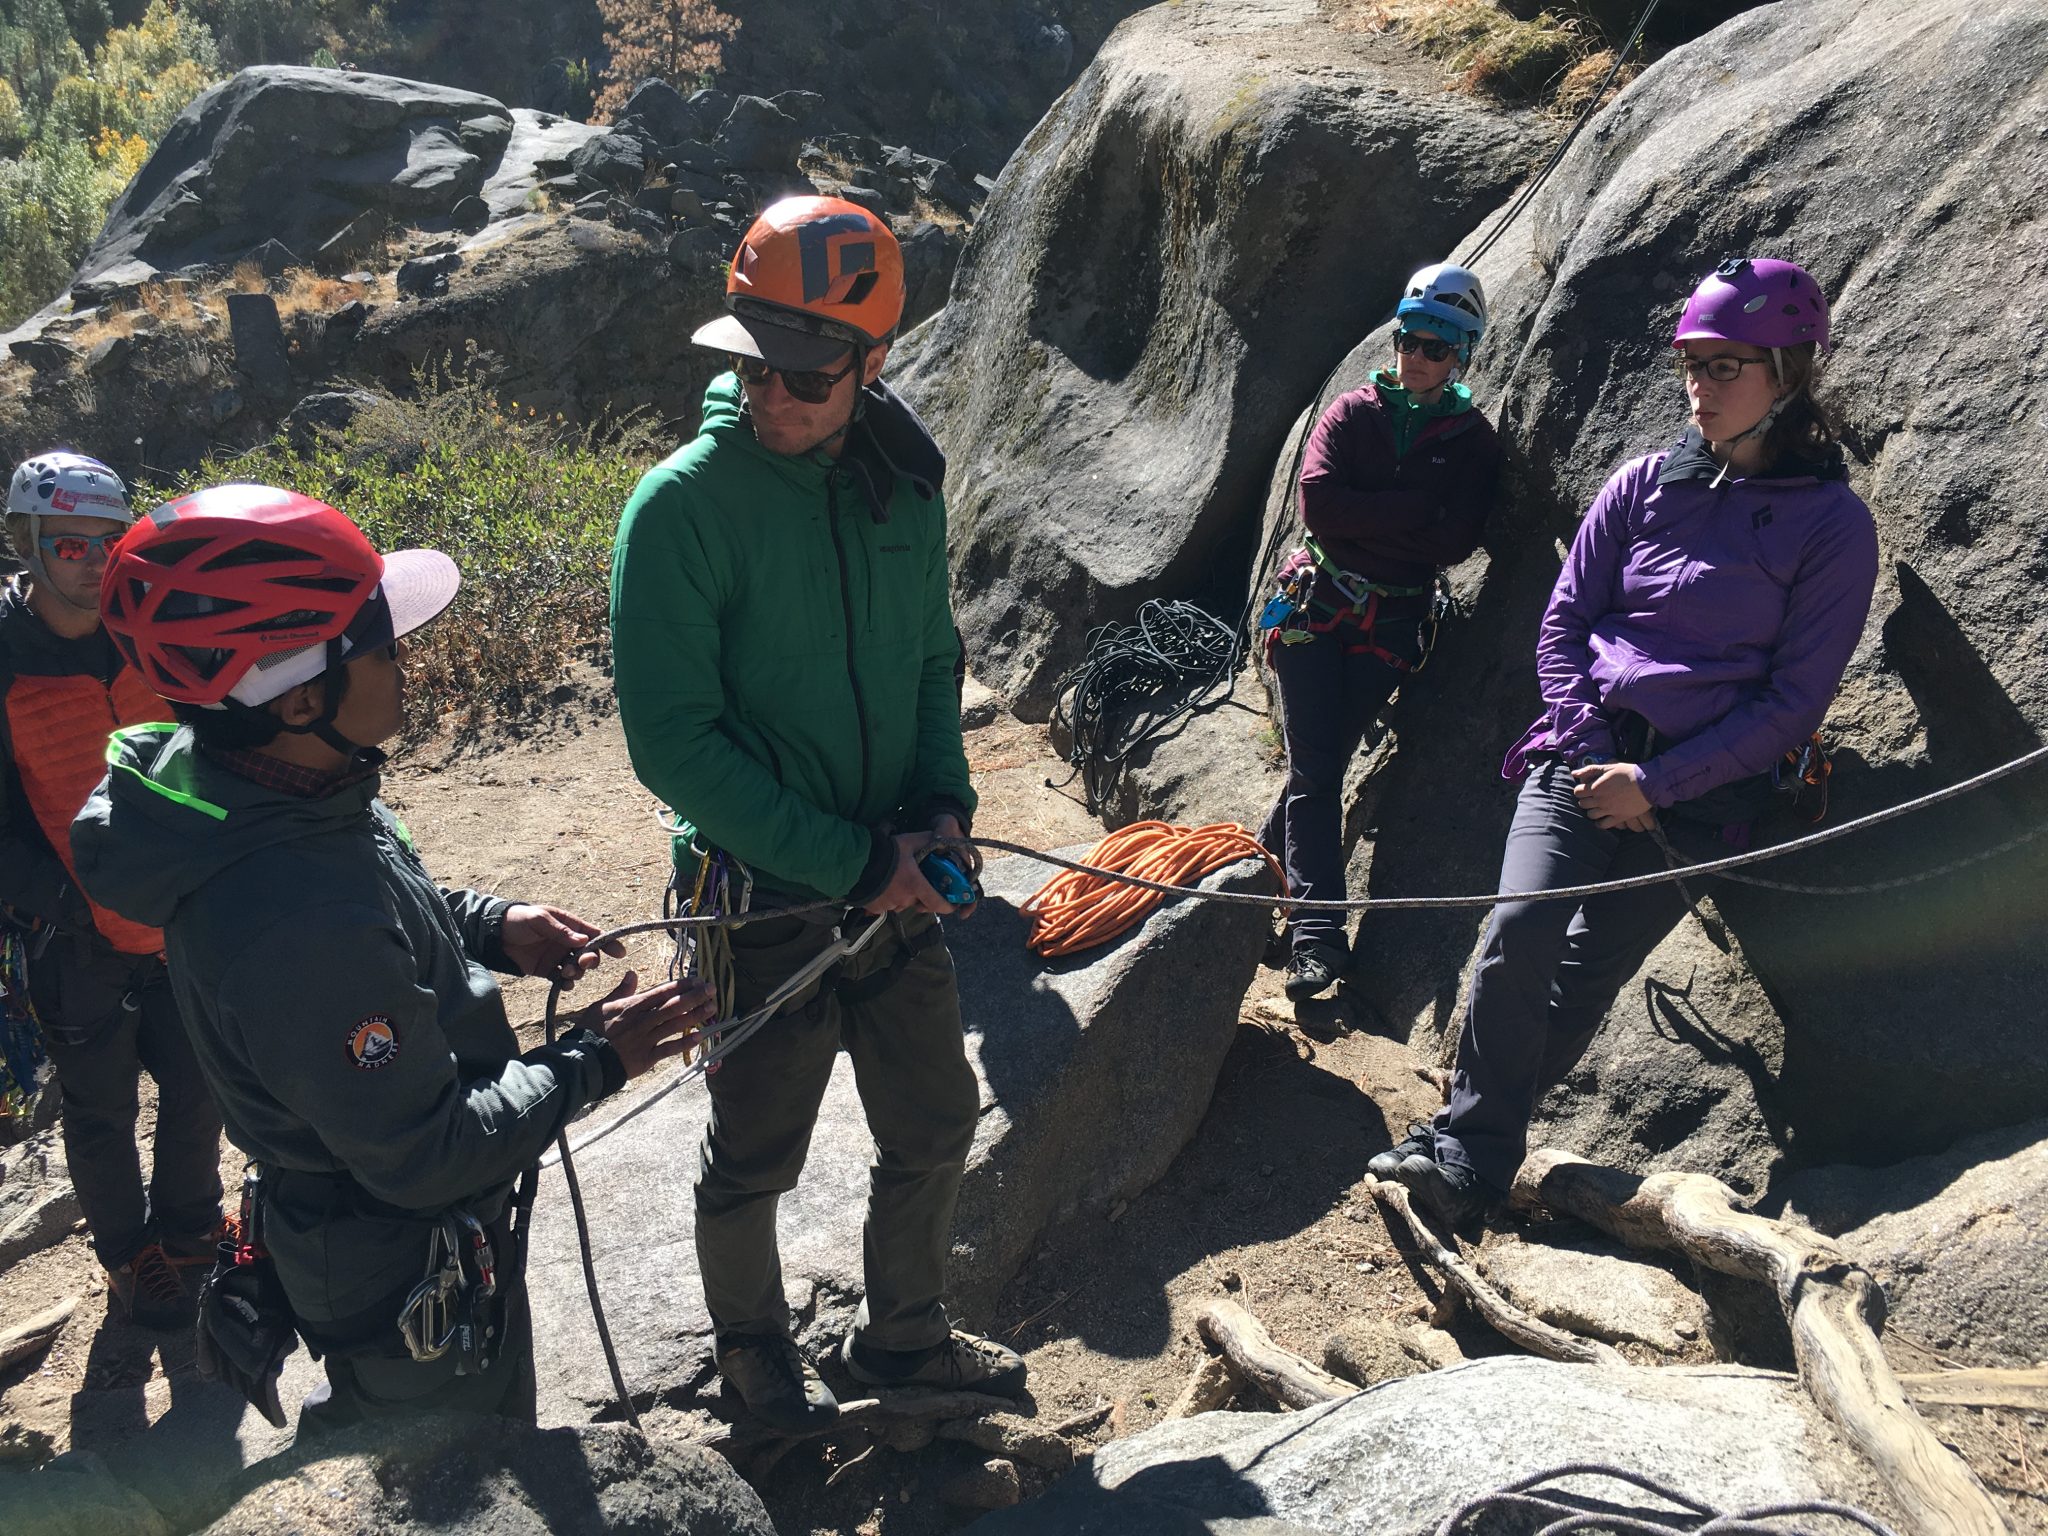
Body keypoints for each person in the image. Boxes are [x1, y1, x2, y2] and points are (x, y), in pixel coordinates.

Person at [73, 483, 716, 1431]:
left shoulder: (271, 789)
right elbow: (431, 1157)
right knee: (449, 1461)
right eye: (383, 647)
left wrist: (492, 925)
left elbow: (378, 893)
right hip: (396, 1254)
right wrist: (599, 1060)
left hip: (381, 1231)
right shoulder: (292, 920)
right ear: (300, 697)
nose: (406, 663)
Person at [610, 195, 1023, 1433]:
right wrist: (853, 861)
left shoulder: (900, 488)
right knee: (755, 1157)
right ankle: (755, 1368)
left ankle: (901, 1339)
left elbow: (926, 661)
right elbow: (673, 746)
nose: (769, 395)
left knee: (938, 1117)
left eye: (803, 374)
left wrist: (942, 804)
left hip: (896, 865)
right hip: (772, 895)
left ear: (871, 363)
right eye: (750, 362)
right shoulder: (680, 509)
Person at [1384, 258, 1879, 1226]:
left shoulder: (1831, 528)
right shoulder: (1642, 484)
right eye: (1687, 365)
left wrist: (1653, 782)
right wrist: (1588, 744)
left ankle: (1464, 1149)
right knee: (1515, 932)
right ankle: (1469, 1157)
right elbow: (1561, 626)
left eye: (1721, 367)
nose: (1697, 388)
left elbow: (1790, 703)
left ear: (1784, 373)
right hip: (1582, 756)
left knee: (1576, 981)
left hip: (1696, 797)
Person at [0, 450, 225, 1331]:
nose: (95, 563)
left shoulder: (150, 631)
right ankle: (130, 1255)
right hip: (68, 931)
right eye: (70, 547)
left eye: (112, 542)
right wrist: (60, 902)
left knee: (199, 1077)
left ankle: (191, 1230)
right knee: (100, 1107)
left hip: (172, 906)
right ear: (27, 543)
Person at [1259, 264, 1504, 1001]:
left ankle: (1246, 874)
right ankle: (1319, 938)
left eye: (1435, 346)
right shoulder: (1352, 412)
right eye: (1409, 339)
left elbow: (1456, 540)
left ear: (1460, 354)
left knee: (1317, 766)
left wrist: (1379, 514)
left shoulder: (1471, 442)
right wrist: (1413, 511)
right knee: (1316, 771)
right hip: (1316, 610)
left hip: (1388, 621)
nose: (1417, 356)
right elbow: (1321, 506)